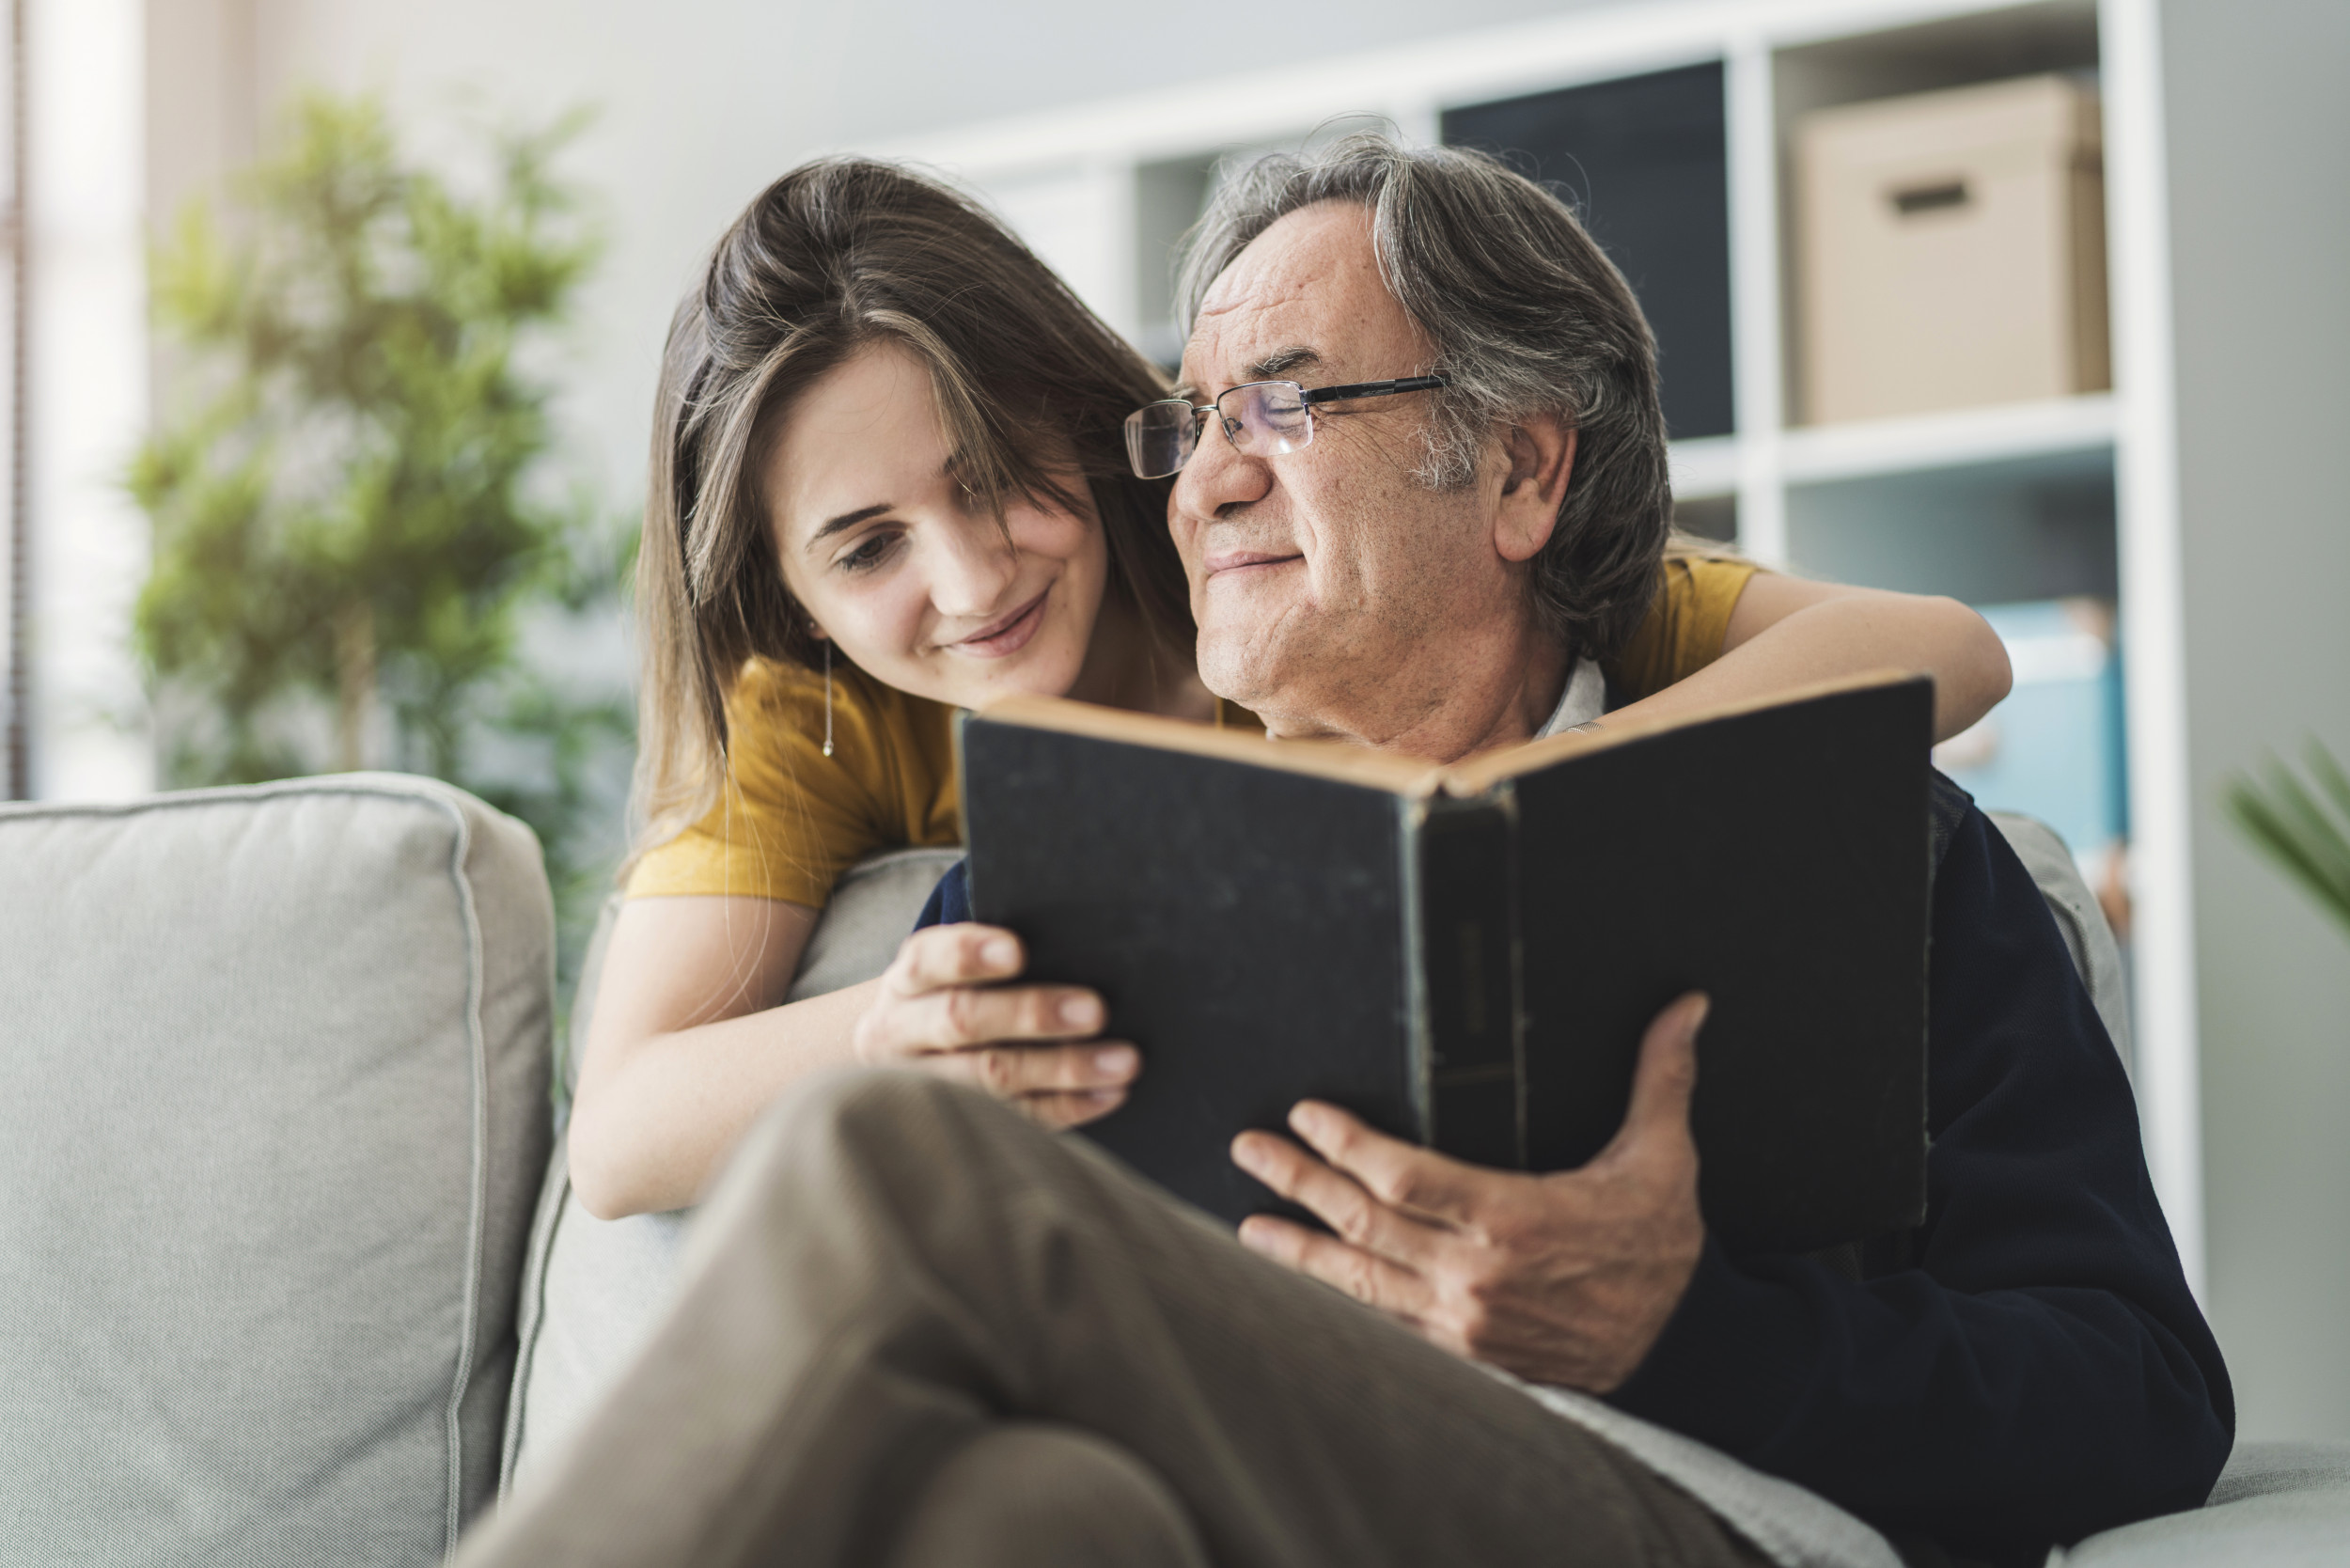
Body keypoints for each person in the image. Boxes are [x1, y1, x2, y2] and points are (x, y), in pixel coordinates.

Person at [460, 136, 2231, 1568]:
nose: (1205, 483)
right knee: (1025, 1517)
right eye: (1191, 423)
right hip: (1267, 1497)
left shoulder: (1876, 847)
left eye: (1284, 408)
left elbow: (2144, 1394)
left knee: (893, 1165)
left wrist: (1670, 1325)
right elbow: (638, 1131)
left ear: (1522, 472)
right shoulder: (1047, 884)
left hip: (1691, 1500)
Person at [570, 158, 2015, 1221]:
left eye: (998, 479)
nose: (969, 583)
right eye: (869, 546)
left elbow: (1949, 647)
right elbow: (622, 1133)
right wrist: (896, 1036)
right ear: (792, 601)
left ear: (1082, 426)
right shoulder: (821, 712)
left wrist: (1518, 812)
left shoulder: (1287, 545)